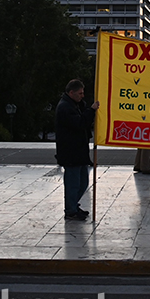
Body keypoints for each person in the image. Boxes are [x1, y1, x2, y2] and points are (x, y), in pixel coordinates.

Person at [55, 79, 99, 221]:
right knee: (73, 184)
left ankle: (73, 205)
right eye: (80, 93)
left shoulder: (74, 105)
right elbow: (79, 123)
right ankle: (71, 210)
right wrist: (91, 111)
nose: (82, 96)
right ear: (71, 92)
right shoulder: (65, 108)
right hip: (71, 152)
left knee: (83, 182)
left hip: (78, 152)